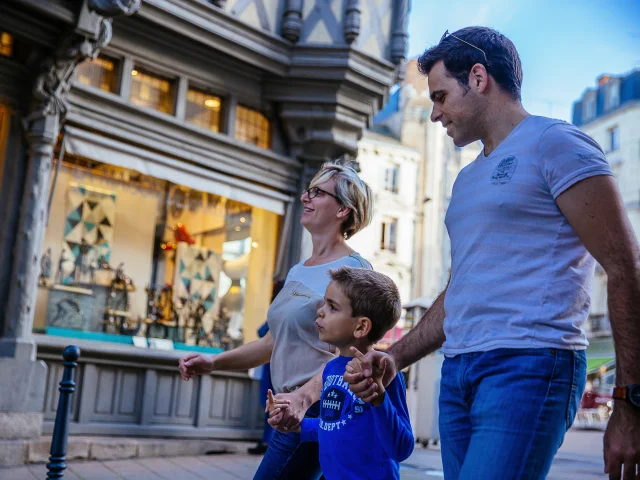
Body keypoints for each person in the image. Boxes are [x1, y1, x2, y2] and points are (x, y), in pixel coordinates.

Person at [344, 26, 640, 480]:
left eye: (440, 97)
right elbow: (460, 289)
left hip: (529, 364)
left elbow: (625, 267)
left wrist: (629, 400)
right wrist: (395, 357)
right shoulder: (467, 179)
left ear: (478, 78)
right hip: (459, 373)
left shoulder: (556, 143)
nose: (434, 114)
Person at [179, 159, 373, 480]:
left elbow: (353, 355)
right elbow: (271, 343)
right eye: (307, 190)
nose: (304, 198)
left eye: (317, 192)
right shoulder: (299, 270)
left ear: (343, 210)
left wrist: (303, 397)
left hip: (315, 410)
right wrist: (213, 362)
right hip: (288, 411)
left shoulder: (354, 270)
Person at [269, 267, 413, 480]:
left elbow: (402, 448)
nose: (320, 311)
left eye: (332, 307)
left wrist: (378, 397)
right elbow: (336, 425)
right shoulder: (330, 369)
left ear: (361, 326)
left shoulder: (382, 372)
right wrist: (295, 425)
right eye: (324, 302)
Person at [248, 320, 275, 455]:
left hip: (274, 364)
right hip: (272, 363)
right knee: (270, 403)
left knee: (271, 403)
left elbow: (261, 332)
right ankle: (267, 440)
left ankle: (268, 441)